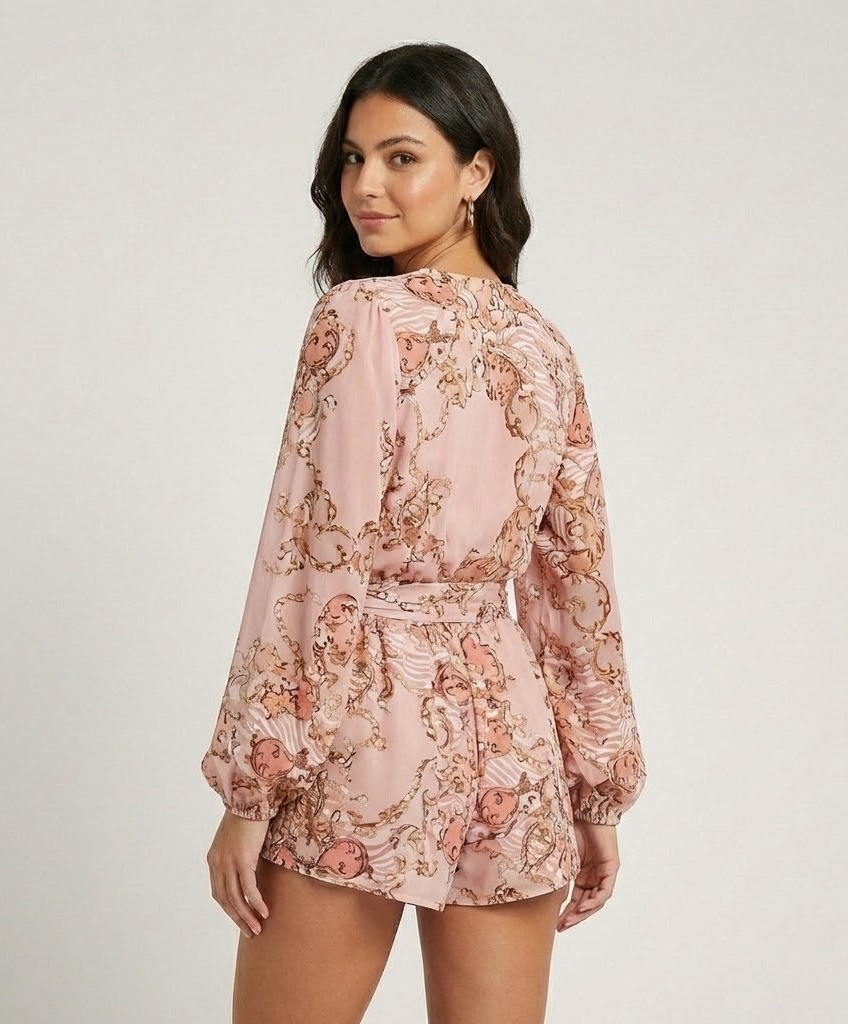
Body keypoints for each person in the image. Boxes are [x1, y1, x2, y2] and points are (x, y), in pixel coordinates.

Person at [200, 41, 646, 1024]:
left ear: (477, 172)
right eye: (353, 159)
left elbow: (313, 561)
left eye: (401, 157)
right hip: (511, 743)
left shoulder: (358, 319)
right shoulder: (544, 346)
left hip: (363, 728)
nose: (366, 185)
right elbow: (578, 590)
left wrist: (251, 787)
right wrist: (594, 790)